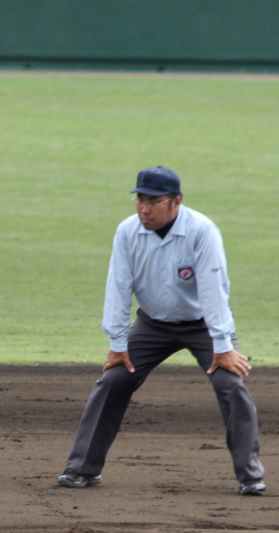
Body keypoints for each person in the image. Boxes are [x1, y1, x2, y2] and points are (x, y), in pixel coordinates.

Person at [58, 166, 264, 495]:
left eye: (154, 201)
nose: (144, 208)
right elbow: (118, 287)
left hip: (203, 326)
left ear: (176, 202)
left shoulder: (201, 231)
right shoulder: (127, 232)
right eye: (140, 199)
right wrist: (117, 341)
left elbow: (214, 292)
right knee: (113, 380)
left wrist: (223, 345)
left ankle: (250, 475)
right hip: (152, 325)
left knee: (230, 384)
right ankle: (82, 469)